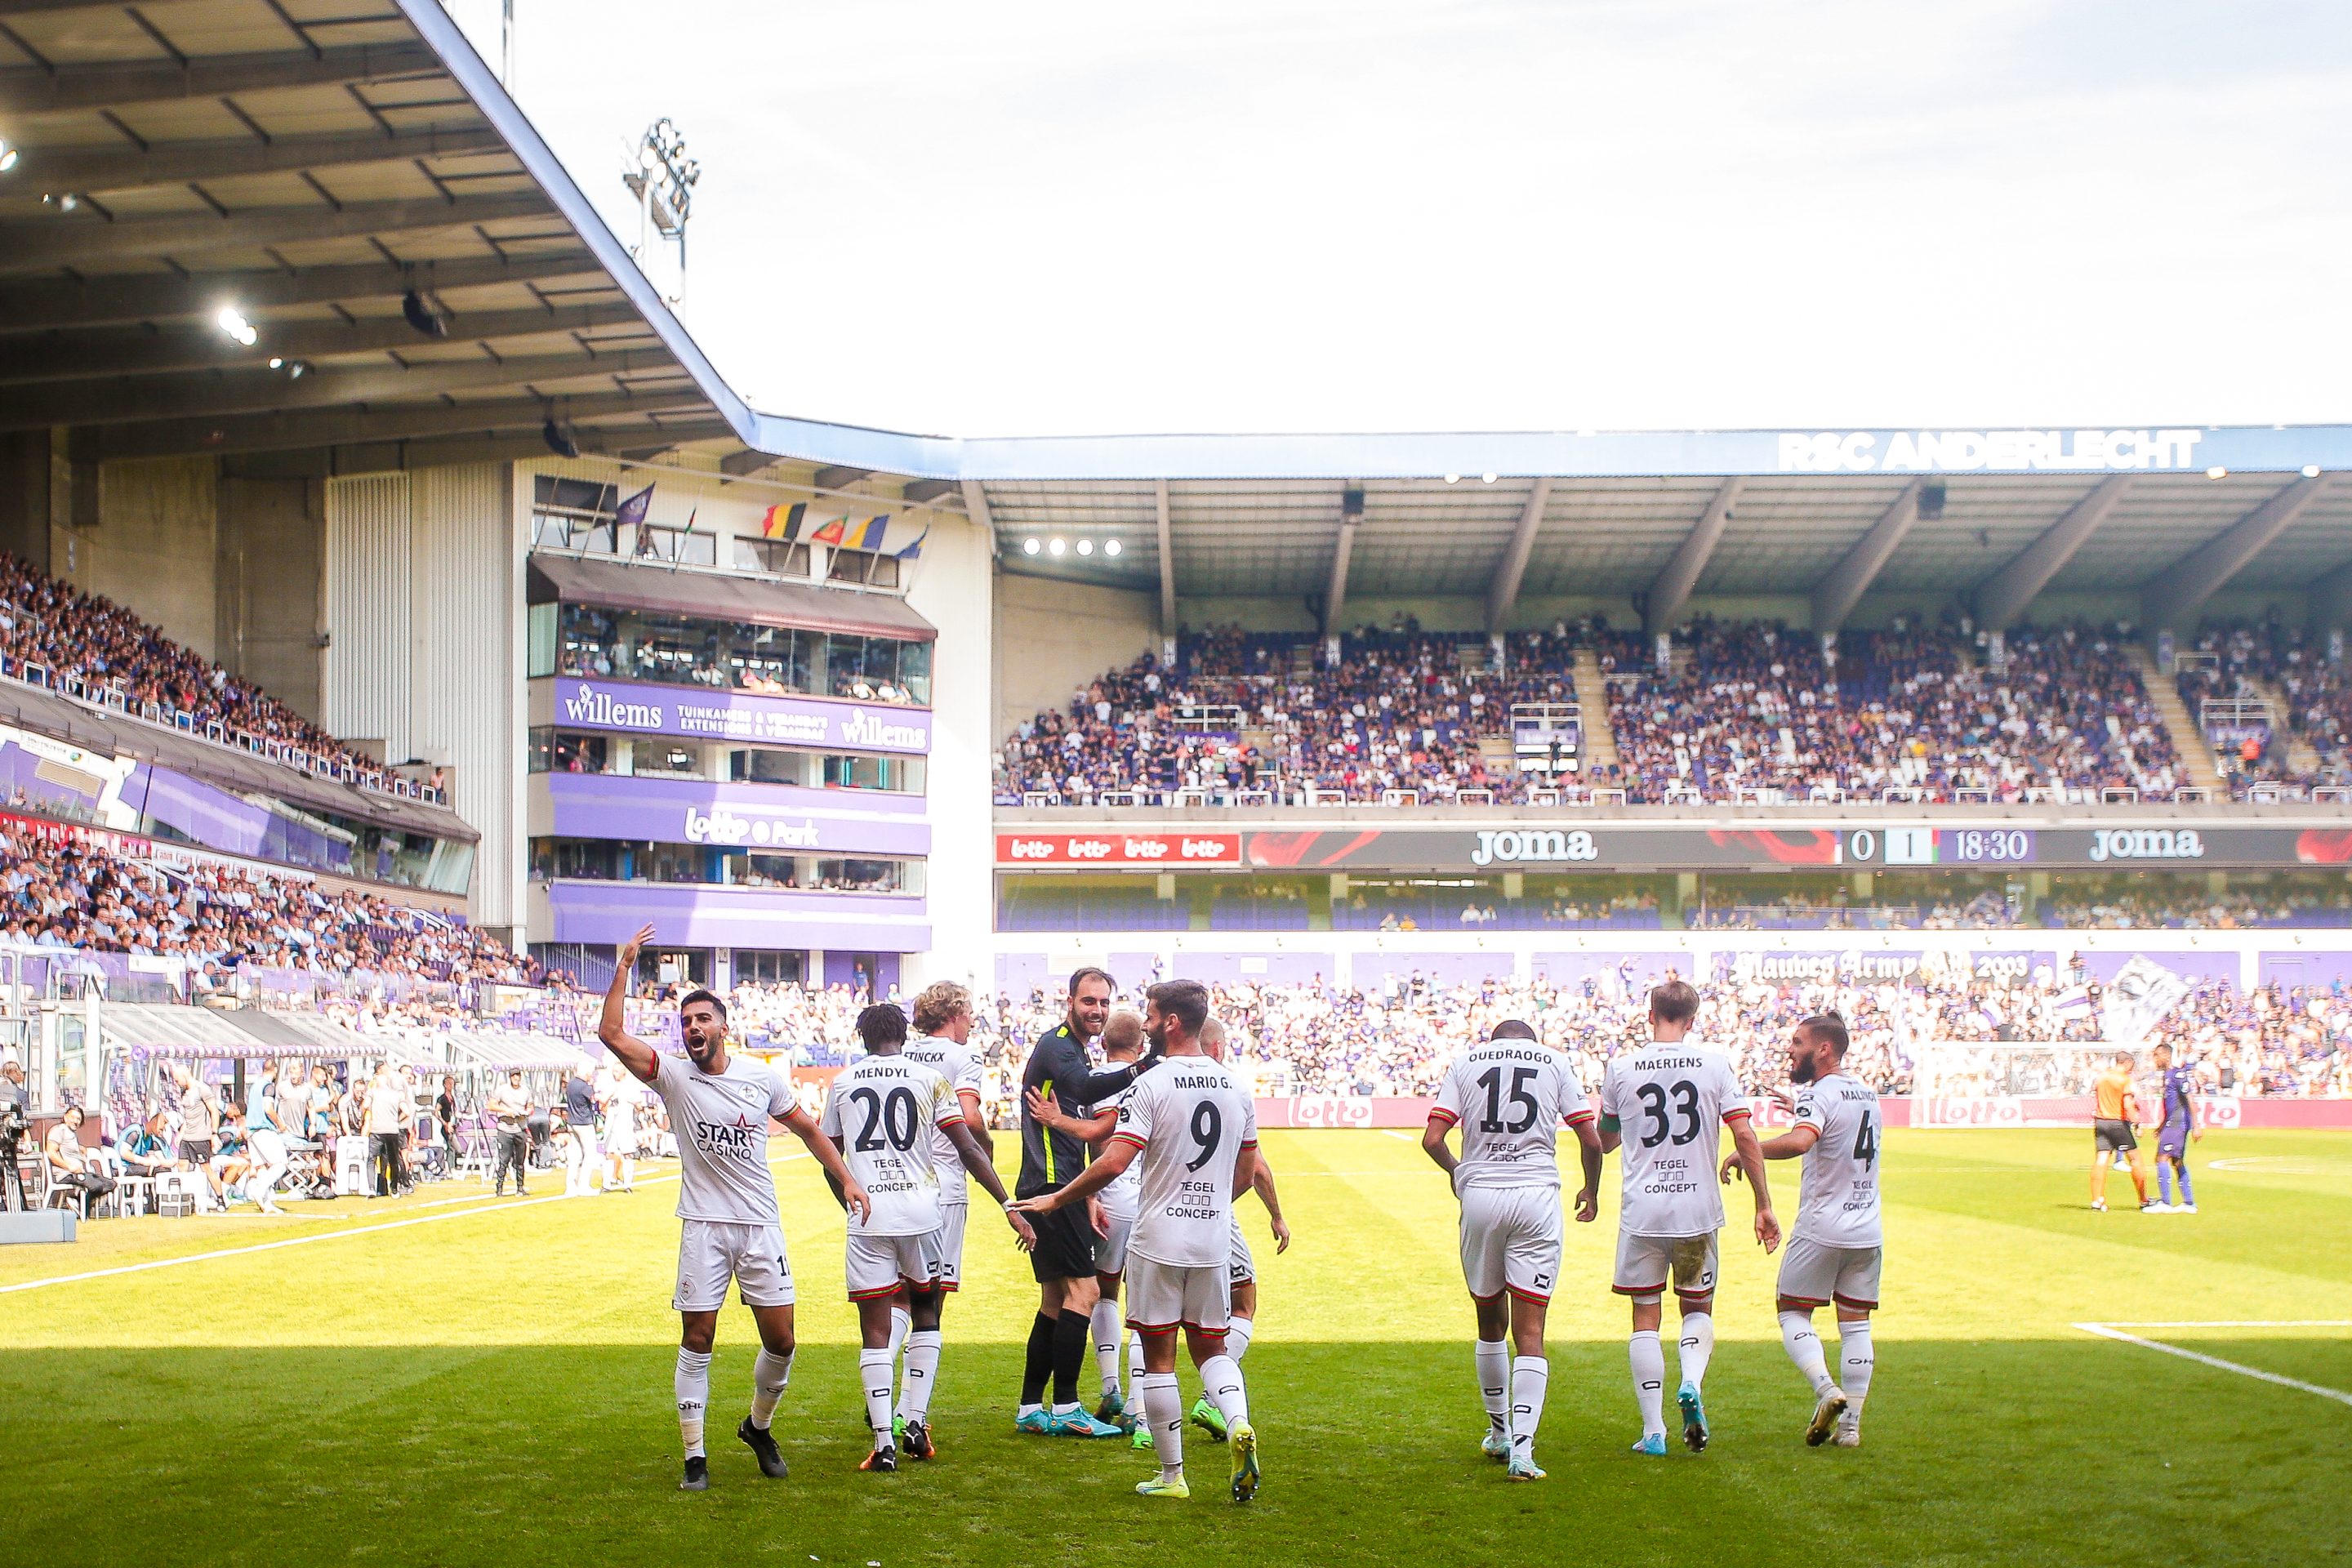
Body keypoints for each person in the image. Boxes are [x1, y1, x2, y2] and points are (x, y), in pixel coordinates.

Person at [597, 922, 871, 1492]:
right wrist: (624, 966)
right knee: (698, 1338)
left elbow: (810, 1130)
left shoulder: (761, 1079)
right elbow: (611, 1032)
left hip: (760, 1226)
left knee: (783, 1341)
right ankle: (694, 1456)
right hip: (703, 1227)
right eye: (685, 1021)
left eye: (703, 1019)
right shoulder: (673, 1076)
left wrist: (846, 1177)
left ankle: (757, 1427)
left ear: (724, 1027)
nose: (693, 1028)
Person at [1013, 978, 1261, 1503]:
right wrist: (1211, 1205)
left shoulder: (1151, 1083)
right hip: (1213, 1238)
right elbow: (1247, 1172)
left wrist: (1058, 1199)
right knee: (1212, 1347)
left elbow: (1113, 1162)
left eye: (1149, 1015)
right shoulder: (1236, 1087)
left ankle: (1172, 1476)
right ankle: (1238, 1421)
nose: (1143, 1024)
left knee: (1159, 1354)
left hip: (1159, 1236)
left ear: (1171, 1021)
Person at [821, 1001, 1032, 1472]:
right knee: (926, 1311)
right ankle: (915, 1420)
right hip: (923, 1214)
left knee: (876, 1330)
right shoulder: (929, 1079)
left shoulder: (843, 1083)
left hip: (870, 1218)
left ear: (862, 1038)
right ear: (903, 1036)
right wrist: (1007, 1205)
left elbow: (829, 1160)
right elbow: (968, 1148)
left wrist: (852, 1205)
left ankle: (884, 1444)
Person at [1598, 978, 1777, 1456]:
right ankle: (1692, 1383)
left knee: (1644, 1315)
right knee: (1697, 1308)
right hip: (1697, 1210)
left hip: (1643, 1212)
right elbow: (1745, 1135)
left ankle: (1654, 1431)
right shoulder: (1715, 1065)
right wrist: (1763, 1203)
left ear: (1650, 1014)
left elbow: (1606, 1138)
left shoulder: (1621, 1067)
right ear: (1692, 1021)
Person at [1423, 1018, 1602, 1481]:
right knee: (1531, 1331)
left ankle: (1499, 1431)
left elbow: (1433, 1139)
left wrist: (1459, 1172)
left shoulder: (1466, 1062)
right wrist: (1591, 1190)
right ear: (1531, 1042)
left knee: (1489, 1322)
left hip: (1482, 1195)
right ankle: (1523, 1451)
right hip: (1536, 1196)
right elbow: (1591, 1139)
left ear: (1494, 1041)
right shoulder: (1555, 1061)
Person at [1013, 967, 1157, 1437]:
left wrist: (1090, 1194)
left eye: (1103, 1003)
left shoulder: (1073, 1049)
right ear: (1070, 1001)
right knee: (1087, 1292)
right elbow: (1083, 1089)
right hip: (1053, 1186)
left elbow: (1083, 1123)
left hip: (1057, 1184)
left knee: (1056, 1299)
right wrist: (1143, 1067)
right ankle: (1067, 1408)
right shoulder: (1058, 1046)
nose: (1096, 1010)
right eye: (1088, 1001)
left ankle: (1031, 1409)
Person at [1728, 1013, 1882, 1450]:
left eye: (1798, 1043)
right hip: (1867, 1229)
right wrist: (1800, 1108)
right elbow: (1839, 1126)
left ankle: (1826, 1389)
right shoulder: (1867, 1093)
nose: (1791, 1050)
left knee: (1792, 1312)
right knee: (1856, 1326)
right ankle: (1850, 1429)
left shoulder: (1818, 1094)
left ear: (1824, 1049)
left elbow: (1800, 1142)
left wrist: (1748, 1151)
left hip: (1823, 1226)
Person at [1188, 1015, 1290, 1447]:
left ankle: (1140, 1417)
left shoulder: (1159, 1082)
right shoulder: (1231, 1089)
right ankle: (1213, 1399)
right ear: (1216, 1048)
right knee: (1243, 1301)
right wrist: (1276, 1216)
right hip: (1211, 1210)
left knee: (1157, 1322)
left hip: (1157, 1212)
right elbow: (1256, 1168)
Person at [898, 981, 991, 1430]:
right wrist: (986, 1148)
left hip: (898, 1184)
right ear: (954, 1014)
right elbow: (969, 1117)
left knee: (897, 1295)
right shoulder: (962, 1057)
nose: (972, 1022)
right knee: (931, 1298)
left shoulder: (900, 1053)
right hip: (945, 1185)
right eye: (969, 1013)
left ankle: (883, 1395)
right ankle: (910, 1409)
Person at [2090, 1051, 2152, 1213]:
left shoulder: (2102, 1077)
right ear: (2128, 1063)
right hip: (2118, 1122)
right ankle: (2144, 1200)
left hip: (2101, 1121)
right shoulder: (2125, 1080)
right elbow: (2127, 1104)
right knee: (2135, 1159)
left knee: (2102, 1158)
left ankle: (2097, 1200)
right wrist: (2137, 1123)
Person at [2149, 1043, 2200, 1214]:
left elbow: (2189, 1099)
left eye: (2157, 1055)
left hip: (2178, 1123)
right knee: (2177, 1161)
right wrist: (2161, 1126)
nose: (2155, 1059)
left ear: (2165, 1055)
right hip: (2172, 1123)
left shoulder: (2178, 1074)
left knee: (2162, 1158)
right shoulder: (2167, 1076)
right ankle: (2189, 1203)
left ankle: (2166, 1202)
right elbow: (2171, 1105)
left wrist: (2197, 1126)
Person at [170, 1063, 224, 1205]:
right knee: (182, 1165)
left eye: (177, 1080)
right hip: (187, 1137)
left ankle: (220, 1199)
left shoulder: (202, 1089)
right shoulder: (184, 1092)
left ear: (184, 1076)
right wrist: (181, 1134)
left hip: (201, 1137)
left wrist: (214, 1133)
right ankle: (183, 1200)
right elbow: (188, 1116)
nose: (177, 1083)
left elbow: (214, 1111)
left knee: (206, 1168)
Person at [45, 1106, 118, 1209]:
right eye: (73, 1117)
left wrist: (80, 1148)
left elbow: (67, 1146)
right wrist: (70, 1167)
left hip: (80, 1172)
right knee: (95, 1186)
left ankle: (78, 1202)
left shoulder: (71, 1133)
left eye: (78, 1119)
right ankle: (81, 1205)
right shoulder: (59, 1130)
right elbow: (51, 1153)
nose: (75, 1121)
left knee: (110, 1184)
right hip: (67, 1174)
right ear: (65, 1118)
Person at [365, 1065, 411, 1198]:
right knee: (393, 1160)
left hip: (377, 1130)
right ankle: (394, 1189)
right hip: (392, 1130)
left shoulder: (373, 1092)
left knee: (371, 1159)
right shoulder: (396, 1094)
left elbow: (365, 1105)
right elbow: (406, 1112)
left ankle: (371, 1188)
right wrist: (396, 1120)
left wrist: (373, 1112)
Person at [488, 1069, 532, 1198]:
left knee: (520, 1160)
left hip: (520, 1128)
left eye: (518, 1076)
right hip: (505, 1128)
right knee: (504, 1159)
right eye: (514, 1076)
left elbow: (530, 1106)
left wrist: (527, 1112)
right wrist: (505, 1111)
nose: (516, 1078)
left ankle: (520, 1188)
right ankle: (499, 1188)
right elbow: (491, 1105)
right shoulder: (502, 1090)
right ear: (510, 1078)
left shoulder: (526, 1091)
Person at [562, 1064, 600, 1198]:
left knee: (575, 1157)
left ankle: (570, 1187)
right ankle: (583, 1186)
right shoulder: (584, 1087)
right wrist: (592, 1085)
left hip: (572, 1122)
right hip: (584, 1123)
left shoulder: (571, 1084)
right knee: (589, 1155)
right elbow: (594, 1099)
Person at [602, 1065, 640, 1192]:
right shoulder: (609, 1085)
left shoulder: (631, 1086)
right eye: (613, 1071)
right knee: (609, 1153)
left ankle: (627, 1185)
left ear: (624, 1072)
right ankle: (606, 1185)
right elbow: (602, 1104)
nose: (614, 1074)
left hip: (625, 1123)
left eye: (617, 1071)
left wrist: (630, 1101)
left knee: (627, 1153)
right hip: (611, 1124)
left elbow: (639, 1105)